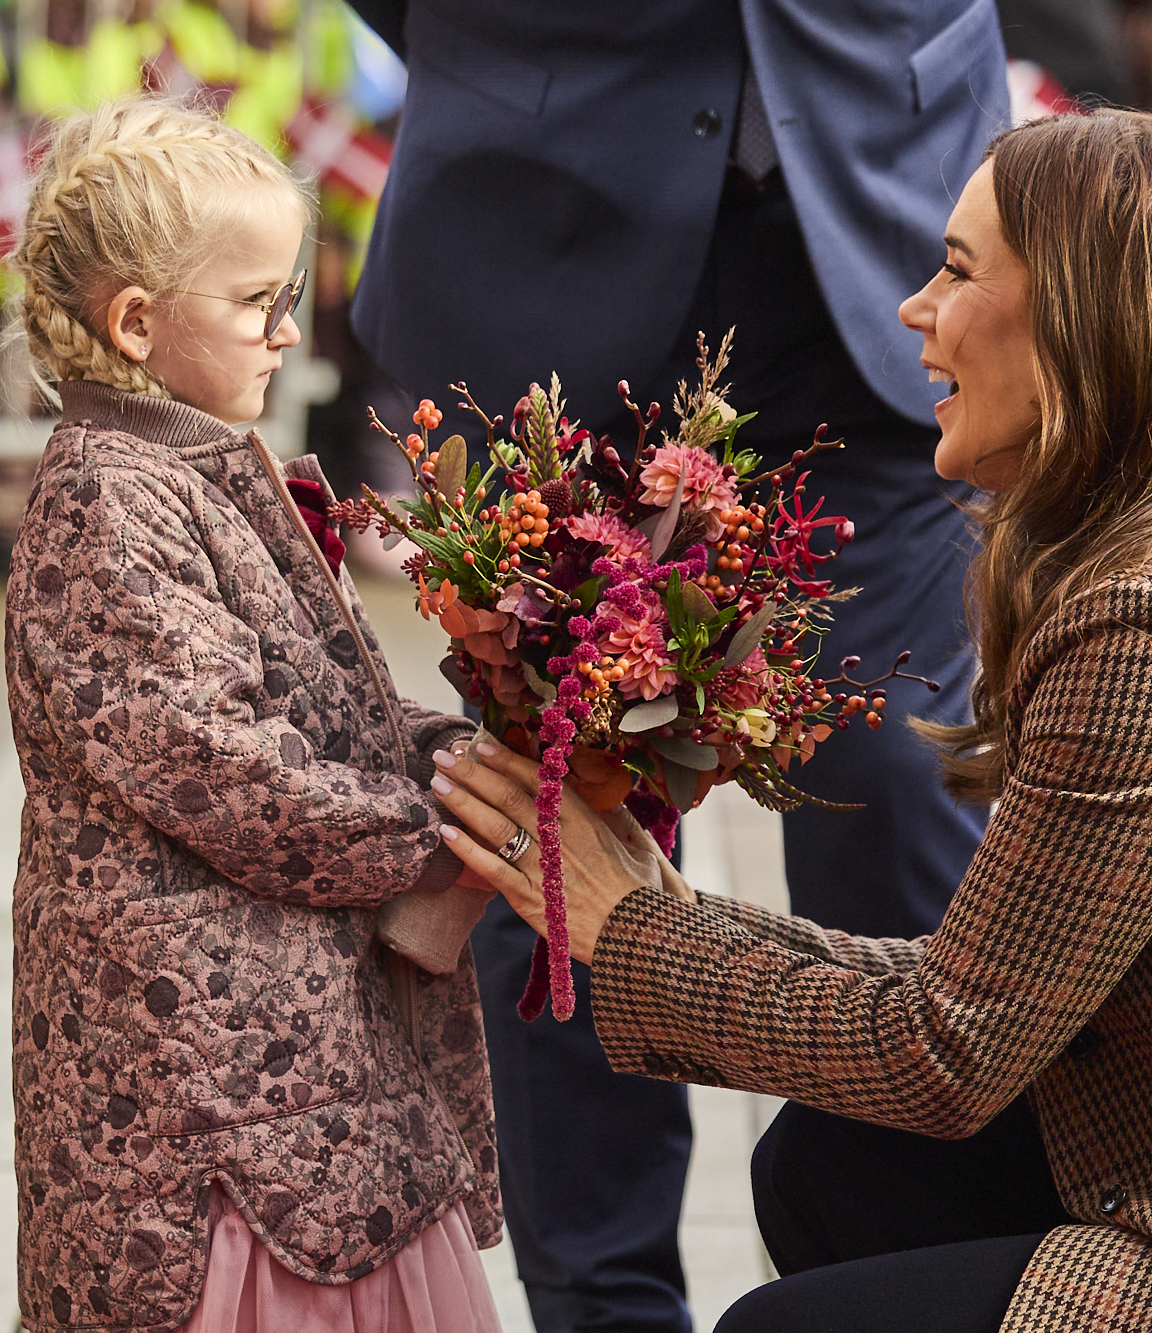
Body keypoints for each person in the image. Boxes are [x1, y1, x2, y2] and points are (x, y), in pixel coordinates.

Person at [431, 110, 1152, 1332]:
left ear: (1085, 319)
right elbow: (970, 993)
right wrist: (663, 915)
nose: (909, 309)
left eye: (954, 269)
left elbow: (947, 1050)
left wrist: (624, 928)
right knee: (821, 1163)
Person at [342, 3, 1003, 1327]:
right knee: (561, 804)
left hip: (887, 222)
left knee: (897, 779)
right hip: (543, 201)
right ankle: (605, 1309)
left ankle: (883, 1287)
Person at [1, 98, 501, 1333]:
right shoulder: (113, 502)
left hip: (284, 1039)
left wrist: (478, 757)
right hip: (198, 1069)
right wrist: (440, 828)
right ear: (135, 323)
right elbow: (224, 766)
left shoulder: (191, 467)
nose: (287, 332)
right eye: (256, 303)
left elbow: (318, 708)